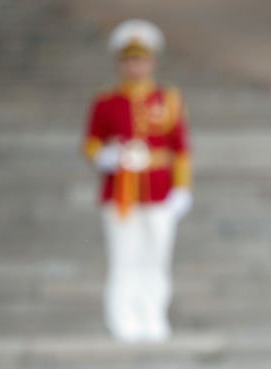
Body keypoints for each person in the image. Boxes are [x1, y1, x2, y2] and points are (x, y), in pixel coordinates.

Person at [82, 19, 192, 343]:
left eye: (141, 59)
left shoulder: (168, 100)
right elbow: (91, 142)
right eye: (129, 59)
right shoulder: (107, 101)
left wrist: (182, 187)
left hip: (159, 190)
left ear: (152, 62)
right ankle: (122, 317)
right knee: (124, 257)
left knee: (157, 256)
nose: (136, 65)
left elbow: (181, 149)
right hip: (121, 192)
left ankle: (153, 315)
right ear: (121, 63)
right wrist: (106, 157)